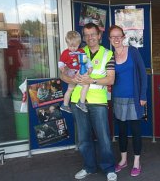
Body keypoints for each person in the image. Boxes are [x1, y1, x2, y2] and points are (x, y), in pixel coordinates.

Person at [60, 23, 117, 181]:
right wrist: (71, 78)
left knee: (103, 137)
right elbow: (62, 75)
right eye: (87, 35)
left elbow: (110, 79)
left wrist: (91, 79)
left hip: (98, 101)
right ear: (83, 38)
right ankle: (89, 167)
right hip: (77, 100)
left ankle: (109, 168)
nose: (90, 37)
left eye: (93, 34)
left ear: (99, 36)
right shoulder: (76, 51)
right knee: (84, 138)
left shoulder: (107, 54)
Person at [109, 25, 147, 177]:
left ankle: (137, 161)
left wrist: (143, 96)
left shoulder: (133, 51)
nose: (116, 39)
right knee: (122, 131)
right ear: (110, 39)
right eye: (113, 36)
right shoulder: (109, 56)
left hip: (134, 98)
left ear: (124, 37)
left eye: (119, 36)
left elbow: (143, 74)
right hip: (118, 99)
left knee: (136, 131)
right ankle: (123, 160)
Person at [58, 31, 93, 113]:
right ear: (67, 43)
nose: (73, 48)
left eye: (75, 46)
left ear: (79, 43)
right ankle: (81, 103)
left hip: (77, 72)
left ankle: (65, 105)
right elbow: (61, 62)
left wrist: (90, 67)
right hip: (70, 72)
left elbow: (86, 60)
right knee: (86, 84)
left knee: (70, 89)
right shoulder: (65, 53)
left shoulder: (81, 52)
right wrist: (62, 68)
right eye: (70, 46)